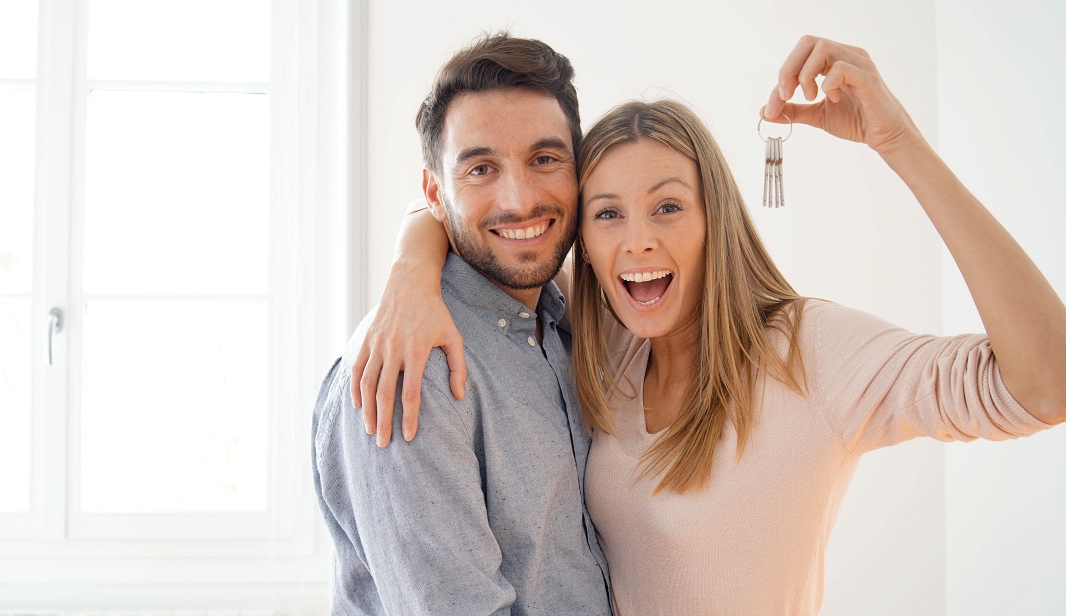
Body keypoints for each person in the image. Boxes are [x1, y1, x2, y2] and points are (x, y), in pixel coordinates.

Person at [355, 36, 1066, 614]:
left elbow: (1047, 384)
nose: (636, 243)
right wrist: (410, 271)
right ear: (582, 232)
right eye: (607, 214)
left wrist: (900, 141)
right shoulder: (605, 343)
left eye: (667, 207)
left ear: (712, 218)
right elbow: (488, 224)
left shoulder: (808, 352)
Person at [310, 33, 611, 614]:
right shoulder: (408, 368)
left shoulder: (573, 319)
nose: (520, 199)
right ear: (435, 193)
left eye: (545, 159)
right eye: (480, 168)